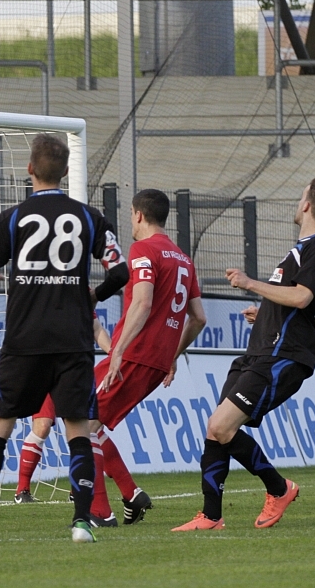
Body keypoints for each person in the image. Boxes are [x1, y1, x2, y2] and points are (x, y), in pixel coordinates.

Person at [0, 133, 129, 544]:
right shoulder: (90, 217)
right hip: (74, 340)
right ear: (67, 171)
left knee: (0, 427)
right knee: (78, 429)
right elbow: (120, 272)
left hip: (25, 339)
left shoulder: (13, 218)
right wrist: (93, 295)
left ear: (29, 170)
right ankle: (81, 522)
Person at [173, 176, 315, 532]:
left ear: (307, 205)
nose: (298, 202)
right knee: (216, 429)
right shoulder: (303, 251)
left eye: (301, 196)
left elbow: (302, 298)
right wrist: (266, 313)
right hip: (261, 351)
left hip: (281, 356)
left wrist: (250, 283)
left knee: (221, 426)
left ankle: (279, 488)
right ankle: (211, 516)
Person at [87, 189, 206, 527]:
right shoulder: (183, 259)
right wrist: (172, 356)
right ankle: (130, 494)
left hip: (134, 355)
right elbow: (199, 318)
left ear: (138, 215)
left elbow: (142, 303)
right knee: (88, 420)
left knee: (82, 423)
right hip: (156, 361)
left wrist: (118, 352)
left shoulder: (143, 250)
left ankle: (100, 512)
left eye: (131, 215)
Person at [14, 316, 111, 504]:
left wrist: (114, 354)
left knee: (82, 430)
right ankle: (22, 490)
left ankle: (78, 488)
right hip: (41, 368)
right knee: (42, 426)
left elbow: (96, 328)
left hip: (73, 371)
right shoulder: (39, 301)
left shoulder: (78, 299)